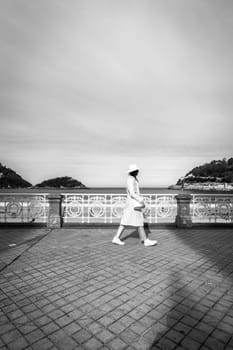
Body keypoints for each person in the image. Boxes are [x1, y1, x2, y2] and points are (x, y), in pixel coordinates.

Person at [112, 164, 158, 247]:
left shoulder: (133, 178)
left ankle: (117, 238)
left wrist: (140, 199)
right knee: (136, 222)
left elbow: (134, 192)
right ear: (134, 171)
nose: (138, 172)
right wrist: (141, 200)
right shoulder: (130, 179)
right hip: (133, 203)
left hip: (133, 203)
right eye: (137, 171)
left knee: (129, 222)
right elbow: (132, 193)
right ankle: (145, 241)